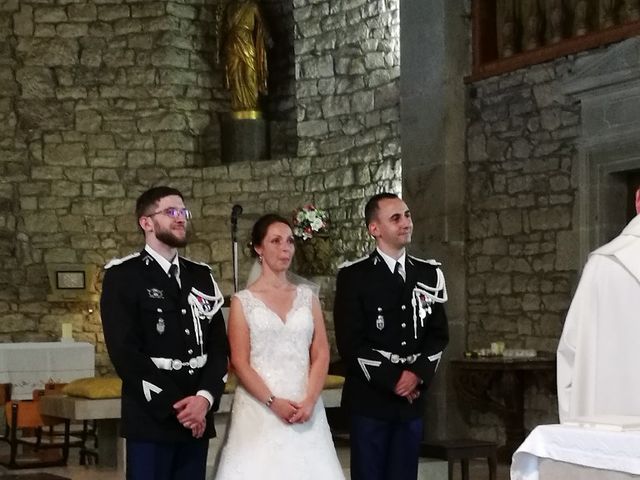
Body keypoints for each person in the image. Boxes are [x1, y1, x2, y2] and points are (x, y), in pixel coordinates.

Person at [100, 186, 229, 480]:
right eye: (171, 212)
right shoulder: (124, 276)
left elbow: (218, 347)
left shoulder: (201, 275)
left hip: (197, 414)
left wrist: (204, 400)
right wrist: (178, 408)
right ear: (146, 222)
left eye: (183, 212)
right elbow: (125, 353)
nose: (181, 218)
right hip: (152, 417)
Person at [215, 214, 344, 479]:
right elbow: (240, 361)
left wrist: (309, 399)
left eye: (289, 241)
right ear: (259, 248)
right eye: (275, 241)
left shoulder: (307, 297)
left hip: (304, 403)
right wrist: (273, 402)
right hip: (260, 405)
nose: (285, 248)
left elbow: (320, 352)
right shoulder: (243, 301)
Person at [334, 192, 449, 480]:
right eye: (395, 218)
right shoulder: (354, 276)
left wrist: (416, 374)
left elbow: (438, 335)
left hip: (411, 400)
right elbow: (350, 342)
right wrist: (394, 378)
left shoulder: (428, 274)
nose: (405, 222)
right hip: (371, 399)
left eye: (407, 215)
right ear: (375, 229)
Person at [557, 186, 640, 423]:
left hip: (603, 430)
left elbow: (570, 353)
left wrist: (572, 427)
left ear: (637, 200)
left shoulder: (600, 266)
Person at [221, 0, 269, 113]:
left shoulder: (252, 5)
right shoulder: (230, 7)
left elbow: (262, 24)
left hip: (247, 42)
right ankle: (238, 105)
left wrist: (268, 38)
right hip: (233, 43)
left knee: (250, 73)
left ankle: (252, 104)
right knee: (235, 75)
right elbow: (226, 28)